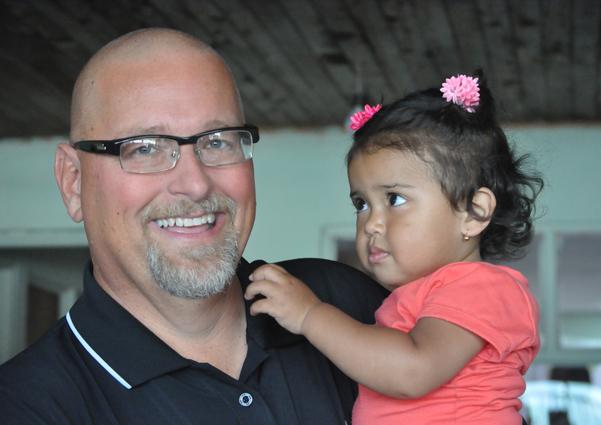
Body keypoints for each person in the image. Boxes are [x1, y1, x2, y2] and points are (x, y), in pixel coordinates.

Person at [0, 28, 387, 424]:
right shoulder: (27, 406)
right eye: (145, 147)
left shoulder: (342, 300)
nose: (196, 184)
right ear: (73, 182)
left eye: (218, 141)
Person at [246, 73, 543, 424]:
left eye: (395, 198)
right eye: (361, 204)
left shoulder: (482, 288)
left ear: (474, 212)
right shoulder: (410, 299)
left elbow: (412, 371)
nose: (371, 223)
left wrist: (310, 315)